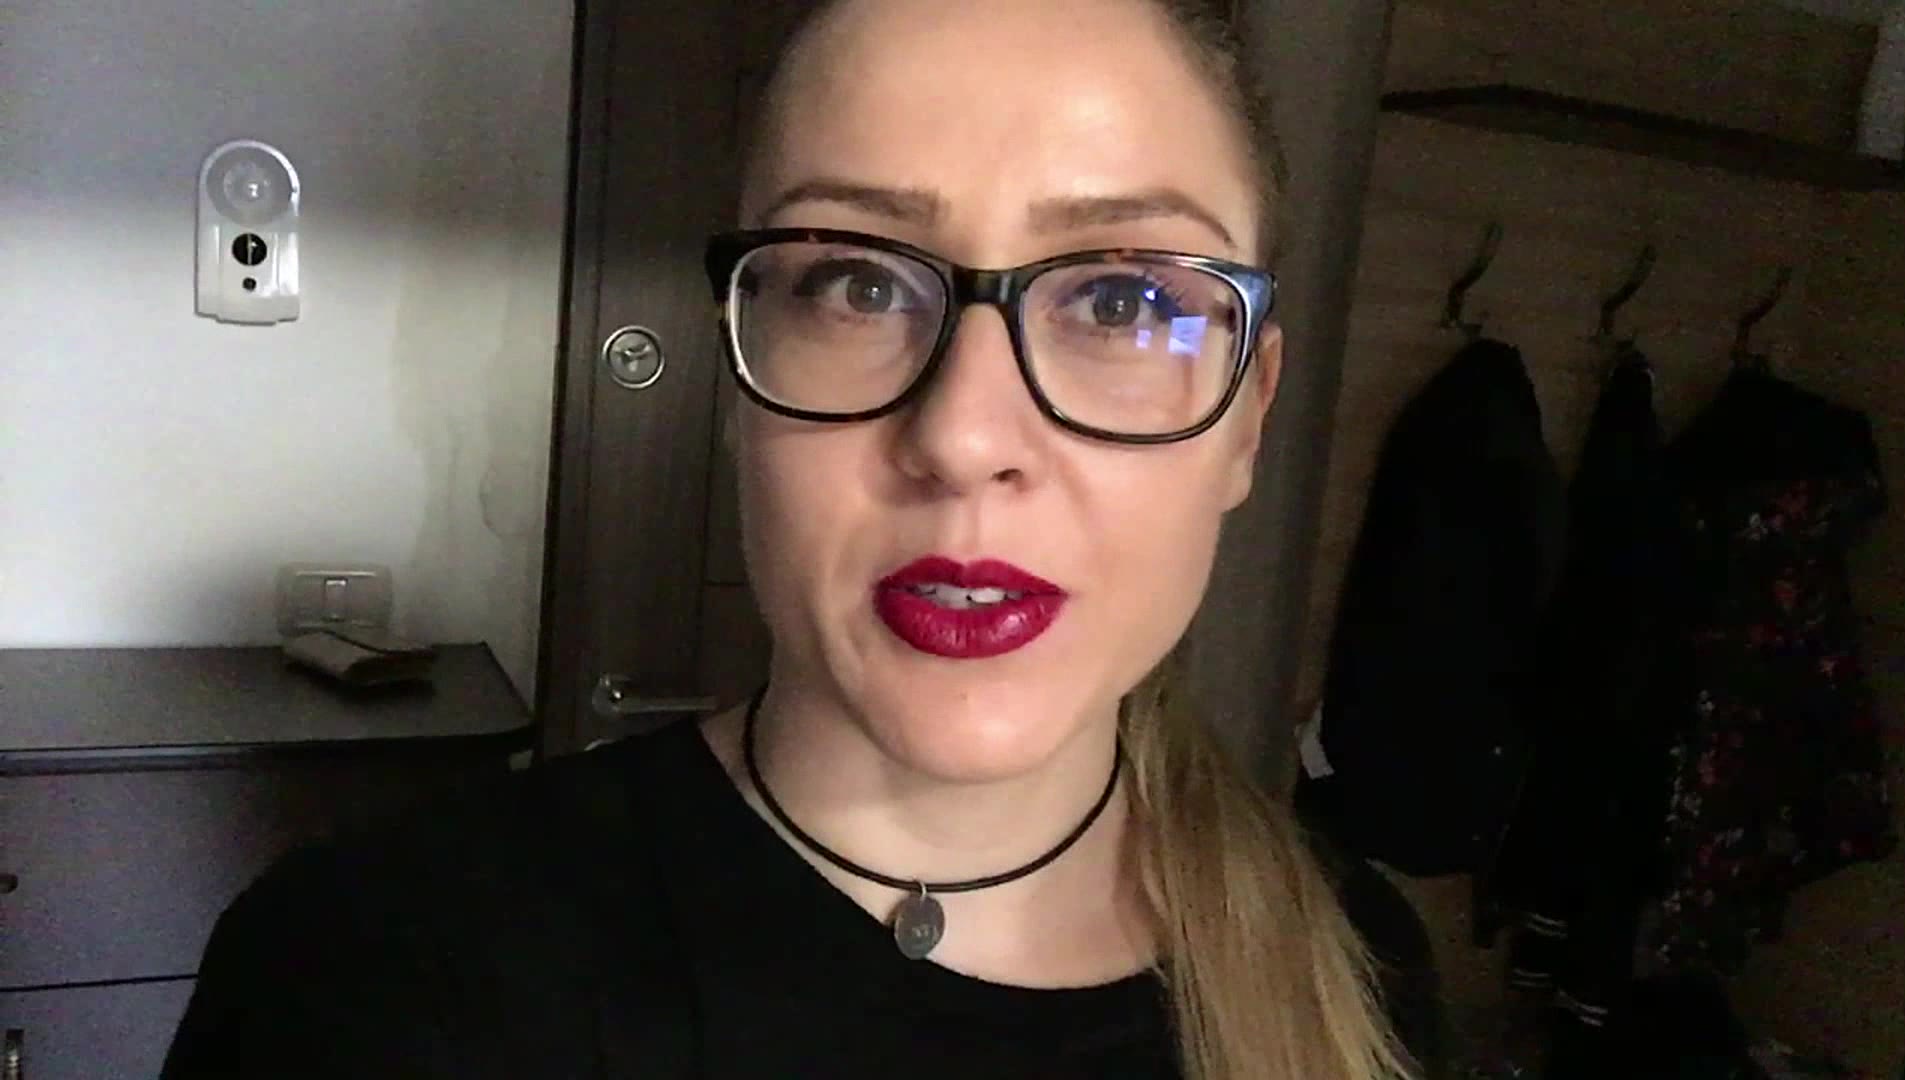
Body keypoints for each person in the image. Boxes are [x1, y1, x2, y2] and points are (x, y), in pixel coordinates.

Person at [163, 1, 1437, 1077]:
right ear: (737, 374)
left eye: (1120, 300)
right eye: (858, 284)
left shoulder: (1361, 970)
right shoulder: (367, 976)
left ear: (1248, 419)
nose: (963, 434)